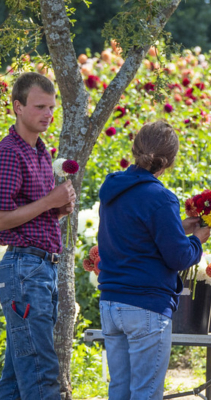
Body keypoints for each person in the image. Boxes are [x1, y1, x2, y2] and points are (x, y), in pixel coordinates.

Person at [97, 120, 211, 400]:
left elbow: (134, 229)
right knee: (146, 394)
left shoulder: (112, 188)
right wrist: (197, 240)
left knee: (120, 392)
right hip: (145, 305)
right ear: (169, 161)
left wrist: (178, 226)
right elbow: (179, 257)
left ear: (135, 150)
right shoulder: (161, 197)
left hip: (111, 303)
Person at [0, 72, 76, 399]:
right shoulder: (9, 152)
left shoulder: (41, 152)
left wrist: (58, 210)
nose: (47, 114)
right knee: (41, 371)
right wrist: (49, 201)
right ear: (17, 107)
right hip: (24, 269)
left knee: (17, 378)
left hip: (41, 268)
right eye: (40, 107)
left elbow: (31, 212)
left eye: (51, 107)